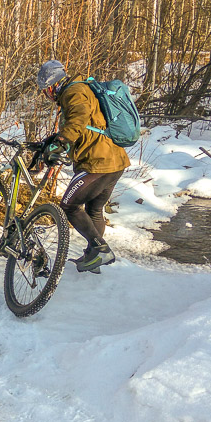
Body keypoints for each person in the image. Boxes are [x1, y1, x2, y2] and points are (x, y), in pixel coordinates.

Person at [36, 60, 130, 273]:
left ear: (52, 85)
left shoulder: (74, 92)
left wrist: (61, 143)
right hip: (114, 160)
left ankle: (101, 250)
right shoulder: (82, 88)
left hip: (99, 163)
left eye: (45, 91)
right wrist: (58, 139)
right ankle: (93, 259)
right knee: (94, 209)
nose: (46, 96)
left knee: (69, 206)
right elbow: (87, 126)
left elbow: (78, 120)